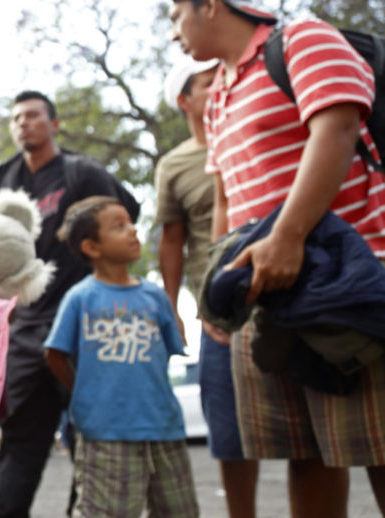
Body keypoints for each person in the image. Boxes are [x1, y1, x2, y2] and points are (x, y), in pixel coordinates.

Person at [170, 0, 385, 515]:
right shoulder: (217, 96)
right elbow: (226, 199)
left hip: (350, 288)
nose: (173, 32)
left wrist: (288, 235)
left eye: (176, 15)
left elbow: (337, 126)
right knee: (305, 453)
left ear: (211, 7)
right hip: (270, 299)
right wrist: (216, 289)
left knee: (379, 445)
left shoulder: (302, 40)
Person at [0, 90, 139, 518]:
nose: (24, 123)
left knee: (89, 436)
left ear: (54, 124)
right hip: (26, 327)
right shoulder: (7, 180)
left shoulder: (82, 172)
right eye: (17, 117)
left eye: (34, 115)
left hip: (81, 321)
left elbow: (123, 214)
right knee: (20, 439)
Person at [45, 195, 199, 517]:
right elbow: (55, 353)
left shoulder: (155, 297)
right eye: (119, 226)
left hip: (163, 429)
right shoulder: (81, 298)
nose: (132, 231)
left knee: (179, 510)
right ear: (92, 247)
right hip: (105, 433)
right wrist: (84, 393)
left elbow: (165, 356)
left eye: (131, 223)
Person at [156, 58, 259, 517]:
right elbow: (172, 239)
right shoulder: (174, 165)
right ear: (185, 100)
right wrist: (174, 307)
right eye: (205, 82)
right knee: (229, 435)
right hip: (218, 317)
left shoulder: (254, 134)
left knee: (311, 430)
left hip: (282, 299)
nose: (219, 83)